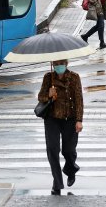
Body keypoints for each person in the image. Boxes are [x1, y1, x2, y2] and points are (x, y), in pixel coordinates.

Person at [37, 59, 83, 195]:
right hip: (52, 119)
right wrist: (48, 95)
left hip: (70, 118)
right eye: (56, 64)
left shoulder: (74, 77)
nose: (58, 67)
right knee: (52, 149)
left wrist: (79, 120)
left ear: (66, 64)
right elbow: (40, 97)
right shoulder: (48, 77)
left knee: (68, 150)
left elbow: (79, 99)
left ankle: (70, 169)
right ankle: (57, 183)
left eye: (61, 64)